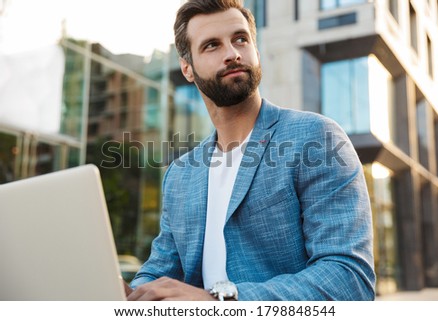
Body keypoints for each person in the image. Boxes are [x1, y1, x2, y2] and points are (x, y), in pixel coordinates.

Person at [126, 0, 375, 301]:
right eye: (211, 46)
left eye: (240, 39)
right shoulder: (180, 174)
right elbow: (160, 272)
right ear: (187, 69)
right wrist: (128, 294)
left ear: (256, 52)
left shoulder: (316, 139)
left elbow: (349, 279)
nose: (232, 54)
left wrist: (223, 302)